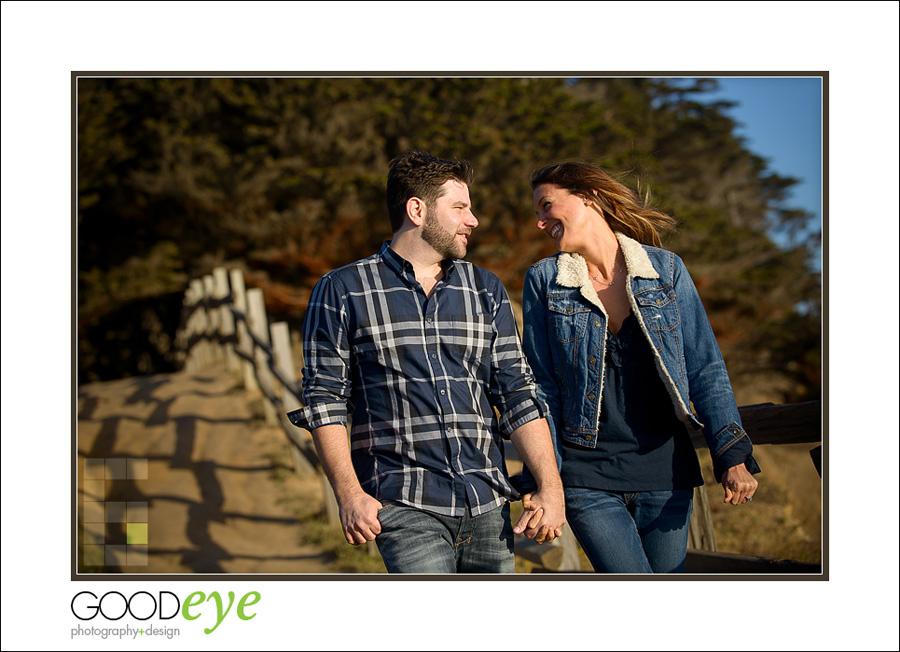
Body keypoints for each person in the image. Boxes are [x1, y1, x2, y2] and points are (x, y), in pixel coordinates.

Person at [288, 150, 565, 573]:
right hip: (403, 504)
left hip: (488, 502)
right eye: (459, 207)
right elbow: (324, 400)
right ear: (416, 210)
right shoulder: (343, 290)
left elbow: (516, 394)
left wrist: (550, 485)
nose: (472, 220)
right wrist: (349, 493)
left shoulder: (485, 289)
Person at [520, 161, 760, 573]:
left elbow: (705, 367)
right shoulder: (545, 280)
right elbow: (542, 388)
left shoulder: (665, 271)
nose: (541, 222)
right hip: (586, 476)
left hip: (665, 473)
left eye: (547, 206)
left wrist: (731, 453)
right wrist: (546, 480)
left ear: (588, 196)